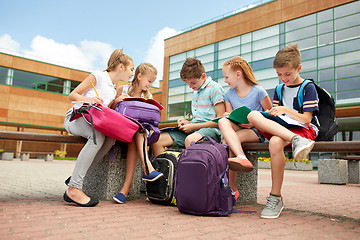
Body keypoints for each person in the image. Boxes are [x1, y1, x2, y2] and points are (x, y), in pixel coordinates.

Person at [247, 43, 318, 219]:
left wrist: (286, 110)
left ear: (298, 68)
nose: (283, 78)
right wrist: (271, 114)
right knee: (254, 116)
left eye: (288, 74)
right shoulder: (279, 89)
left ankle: (275, 197)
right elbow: (276, 114)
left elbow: (307, 119)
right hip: (286, 128)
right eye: (279, 74)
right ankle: (295, 141)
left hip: (304, 128)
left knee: (275, 140)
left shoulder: (308, 87)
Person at [63, 49, 135, 207]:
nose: (132, 73)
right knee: (98, 137)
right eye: (131, 69)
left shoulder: (112, 88)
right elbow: (72, 96)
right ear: (121, 67)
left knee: (111, 139)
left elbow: (104, 112)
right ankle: (74, 188)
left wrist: (116, 102)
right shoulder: (99, 76)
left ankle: (75, 178)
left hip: (92, 122)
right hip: (75, 118)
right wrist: (89, 99)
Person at [217, 56, 272, 200]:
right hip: (238, 129)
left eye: (226, 76)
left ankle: (231, 188)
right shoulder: (228, 94)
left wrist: (254, 122)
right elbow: (229, 116)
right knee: (223, 121)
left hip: (255, 131)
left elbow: (270, 114)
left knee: (228, 142)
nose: (225, 80)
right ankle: (241, 157)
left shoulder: (258, 91)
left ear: (238, 74)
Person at [110, 63, 163, 204]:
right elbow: (109, 110)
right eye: (149, 81)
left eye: (152, 82)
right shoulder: (122, 89)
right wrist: (116, 101)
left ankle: (125, 190)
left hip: (136, 134)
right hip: (120, 131)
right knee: (138, 130)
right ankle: (147, 168)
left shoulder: (148, 96)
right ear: (139, 76)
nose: (150, 85)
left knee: (137, 131)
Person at [151, 57, 225, 157]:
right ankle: (163, 172)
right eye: (187, 83)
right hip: (195, 130)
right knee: (157, 140)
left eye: (193, 83)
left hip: (211, 131)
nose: (190, 86)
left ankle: (191, 172)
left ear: (203, 76)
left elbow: (220, 121)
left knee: (190, 140)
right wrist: (188, 123)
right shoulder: (196, 91)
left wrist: (193, 126)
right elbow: (198, 119)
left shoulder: (215, 88)